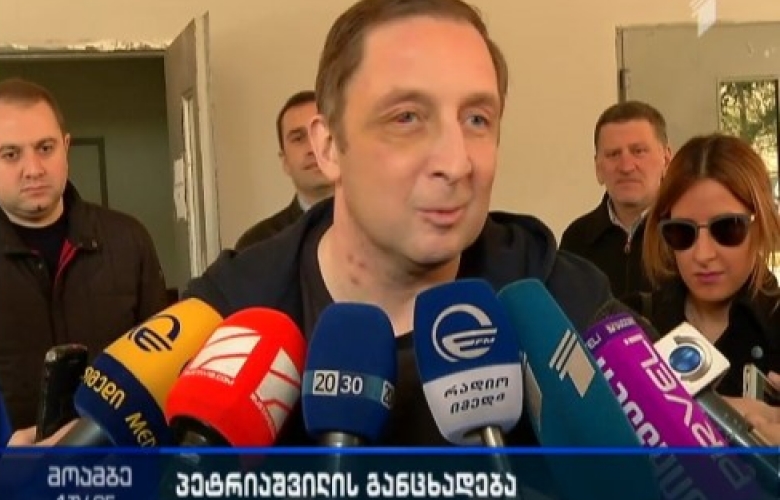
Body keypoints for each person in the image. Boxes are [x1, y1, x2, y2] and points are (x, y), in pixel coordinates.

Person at [184, 0, 611, 447]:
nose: (456, 163)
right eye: (407, 118)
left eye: (477, 119)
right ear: (328, 147)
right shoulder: (230, 317)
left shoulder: (564, 304)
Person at [0, 78, 169, 429]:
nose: (34, 169)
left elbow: (163, 367)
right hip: (8, 463)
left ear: (66, 147)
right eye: (11, 154)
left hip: (117, 457)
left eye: (45, 148)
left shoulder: (128, 241)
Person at [623, 133, 780, 403]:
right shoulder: (632, 327)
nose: (703, 254)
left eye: (728, 228)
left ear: (761, 225)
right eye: (682, 232)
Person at [560, 101, 672, 297]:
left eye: (638, 151)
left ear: (666, 159)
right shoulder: (576, 240)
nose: (626, 167)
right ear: (598, 168)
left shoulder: (686, 234)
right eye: (613, 154)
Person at [234, 91, 334, 250]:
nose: (313, 148)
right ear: (285, 161)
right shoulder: (257, 244)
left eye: (321, 133)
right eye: (298, 138)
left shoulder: (375, 226)